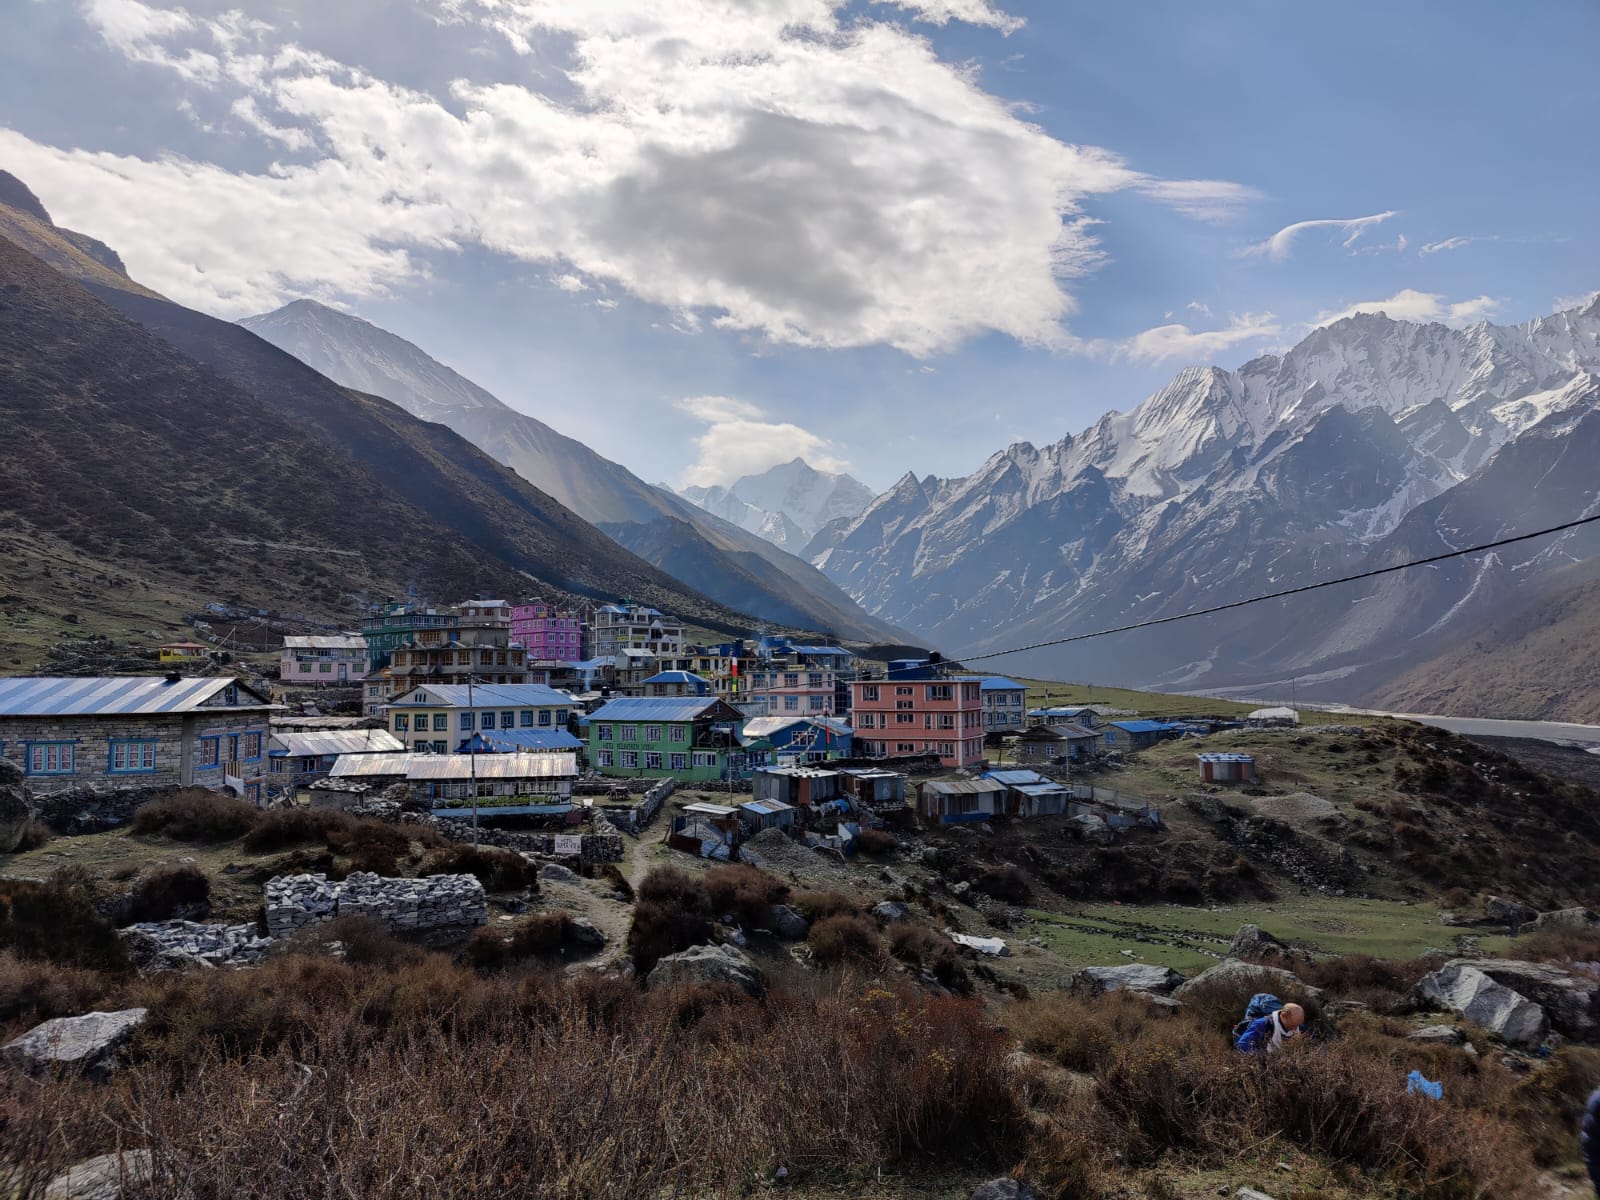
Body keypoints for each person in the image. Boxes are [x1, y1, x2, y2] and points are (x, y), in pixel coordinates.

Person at [1235, 1001, 1305, 1054]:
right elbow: (1243, 1045)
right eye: (1292, 1025)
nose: (1295, 1029)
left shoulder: (1298, 1025)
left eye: (1298, 1025)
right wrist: (1264, 1057)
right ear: (1283, 1016)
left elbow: (1312, 1041)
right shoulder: (1262, 1024)